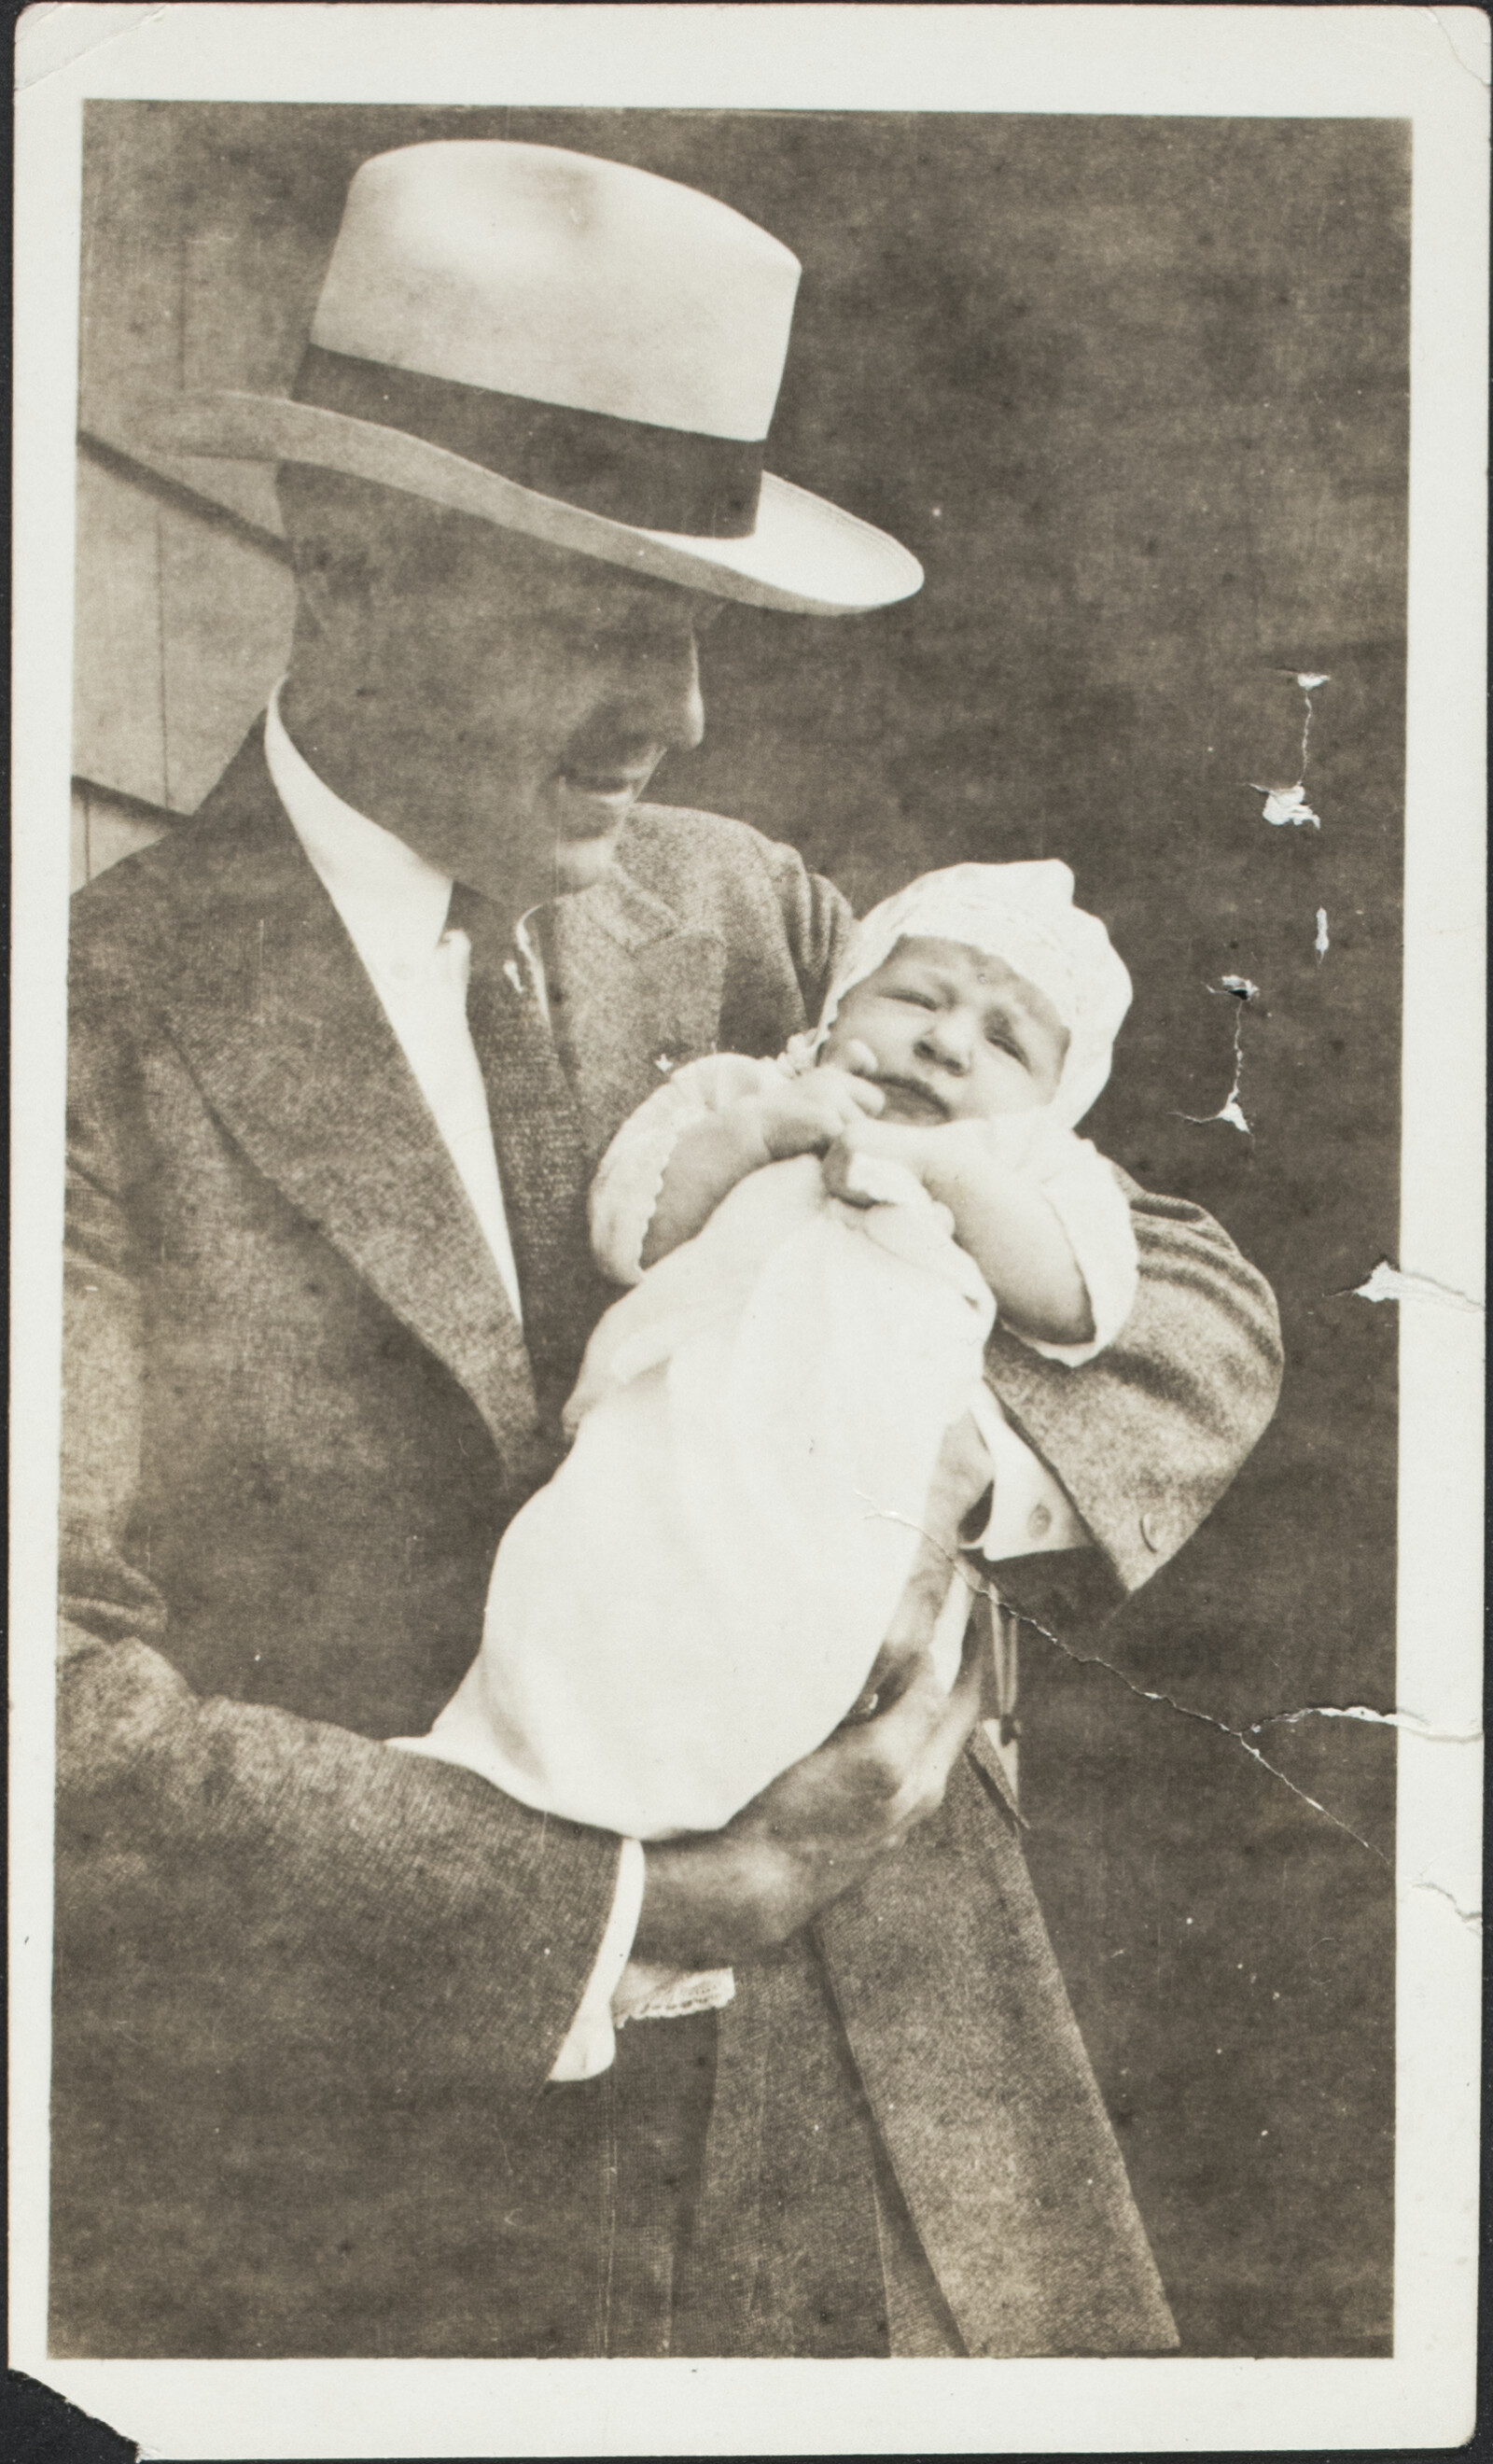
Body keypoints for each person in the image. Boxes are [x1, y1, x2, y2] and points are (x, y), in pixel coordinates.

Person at [54, 139, 1283, 2360]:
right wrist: (630, 1897)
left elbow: (1186, 1301)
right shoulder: (92, 1026)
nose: (681, 713)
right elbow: (41, 1691)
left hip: (910, 2108)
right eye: (597, 614)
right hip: (399, 2209)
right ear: (348, 557)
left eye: (695, 626)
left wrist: (907, 1462)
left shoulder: (747, 912)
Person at [402, 861, 1139, 1856]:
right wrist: (752, 1137)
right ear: (840, 1005)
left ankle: (674, 1875)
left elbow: (1076, 1301)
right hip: (676, 1429)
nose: (946, 1042)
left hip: (859, 1476)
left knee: (799, 1679)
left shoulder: (1028, 1168)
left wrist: (951, 1169)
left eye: (1005, 1042)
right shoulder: (741, 1089)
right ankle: (515, 1802)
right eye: (916, 997)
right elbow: (632, 1228)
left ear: (1054, 1100)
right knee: (576, 1607)